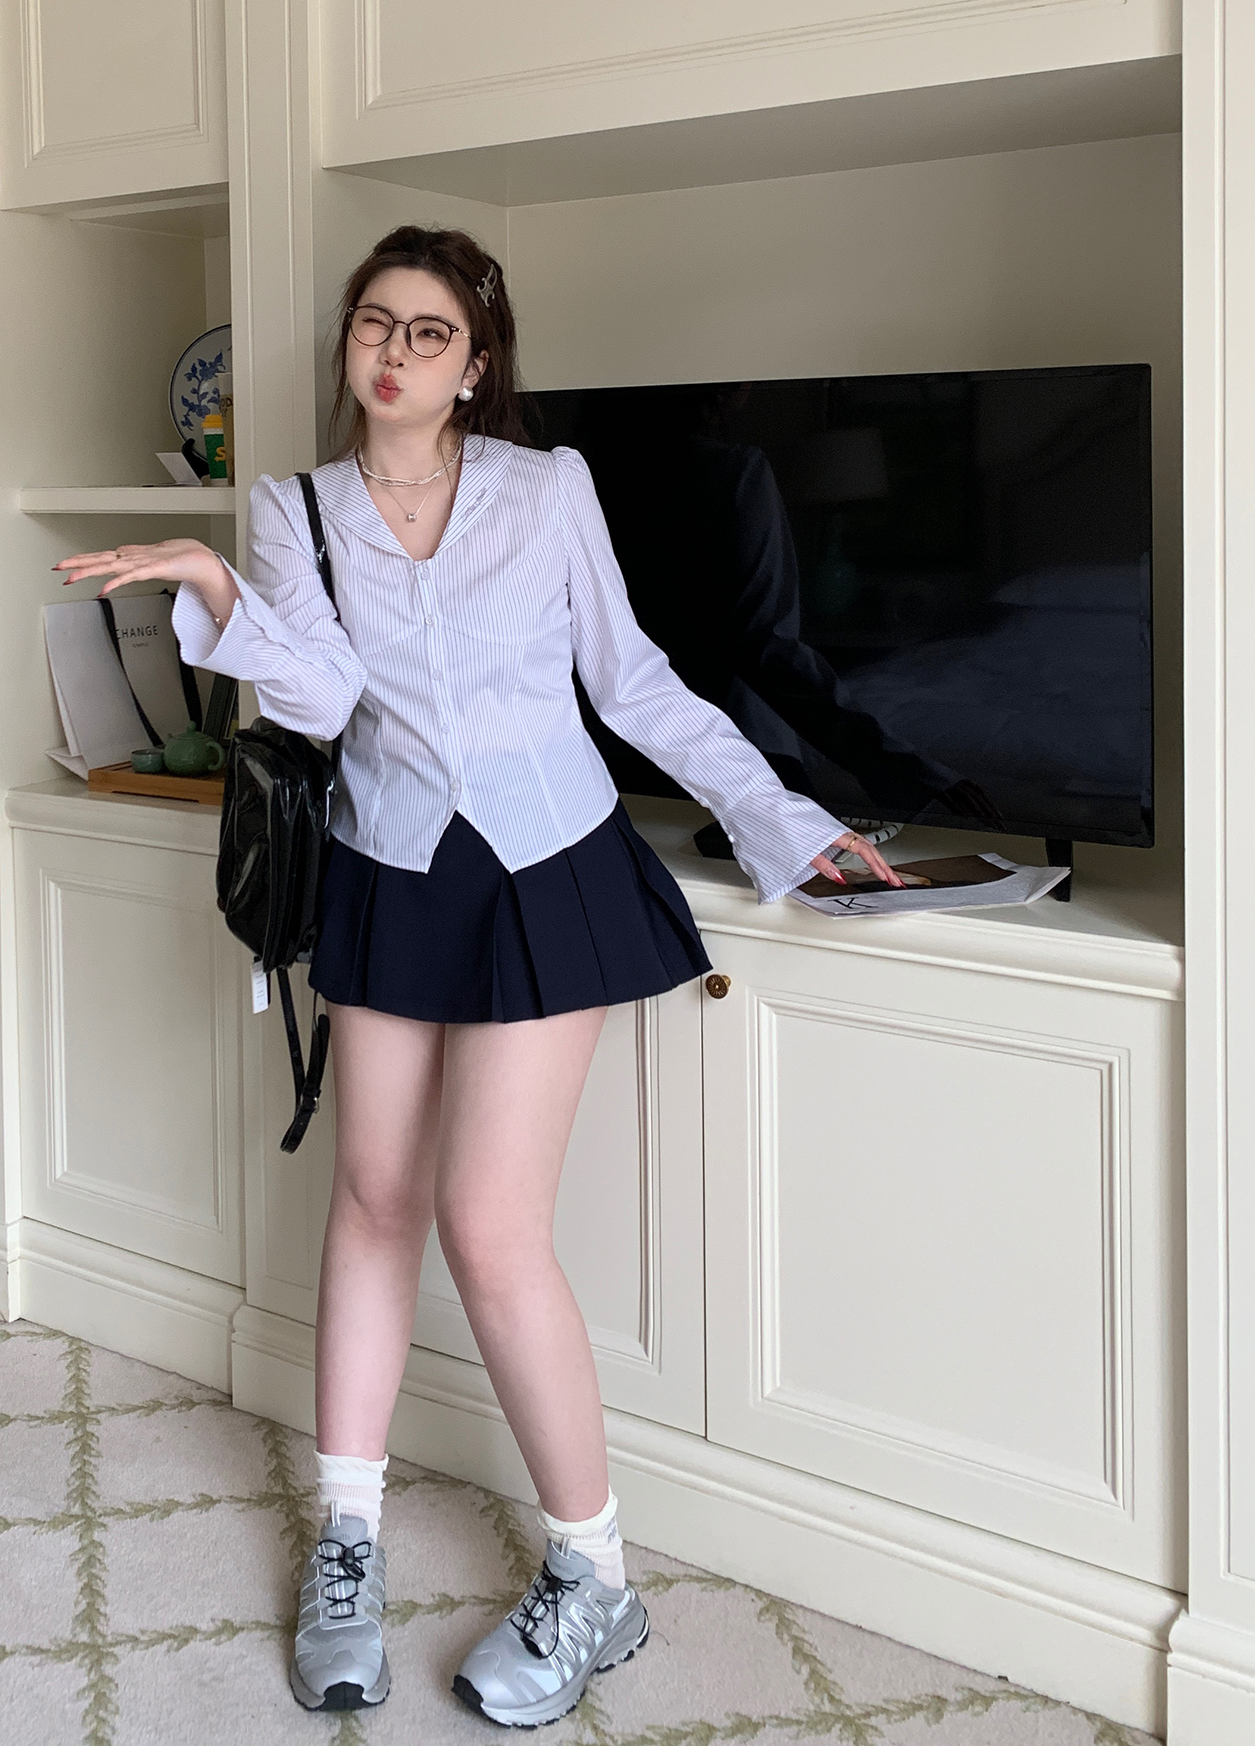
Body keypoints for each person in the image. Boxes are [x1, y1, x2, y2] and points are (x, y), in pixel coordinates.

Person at [56, 227, 901, 1730]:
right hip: (389, 866)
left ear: (477, 363)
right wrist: (216, 583)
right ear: (348, 344)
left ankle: (595, 1576)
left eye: (429, 333)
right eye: (375, 325)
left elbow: (630, 679)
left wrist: (788, 820)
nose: (394, 353)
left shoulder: (547, 487)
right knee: (374, 1197)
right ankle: (349, 1538)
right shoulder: (294, 507)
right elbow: (322, 702)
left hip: (548, 866)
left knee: (490, 1228)